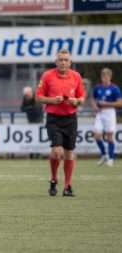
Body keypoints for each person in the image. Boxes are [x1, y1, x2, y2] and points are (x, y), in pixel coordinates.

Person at [36, 49, 85, 197]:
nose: (63, 62)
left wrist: (76, 101)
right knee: (57, 151)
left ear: (70, 62)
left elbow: (82, 98)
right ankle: (53, 178)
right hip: (53, 118)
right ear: (56, 62)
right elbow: (38, 97)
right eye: (60, 59)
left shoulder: (76, 76)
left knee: (69, 153)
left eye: (66, 60)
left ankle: (67, 186)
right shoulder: (47, 76)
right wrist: (52, 100)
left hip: (70, 118)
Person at [91, 68, 122, 167]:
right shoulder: (98, 88)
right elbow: (93, 99)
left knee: (109, 136)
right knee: (96, 135)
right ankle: (104, 154)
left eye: (106, 76)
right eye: (103, 76)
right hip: (100, 113)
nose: (104, 78)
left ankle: (111, 158)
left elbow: (120, 103)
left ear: (110, 77)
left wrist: (106, 103)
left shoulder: (114, 88)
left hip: (110, 113)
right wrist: (94, 106)